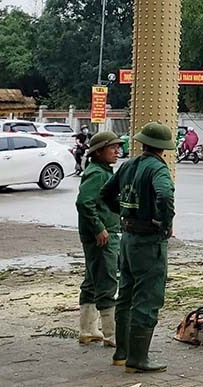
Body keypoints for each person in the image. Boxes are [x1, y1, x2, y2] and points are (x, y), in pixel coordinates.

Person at [100, 122, 176, 374]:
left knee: (126, 295)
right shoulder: (158, 169)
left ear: (143, 142)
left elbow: (106, 193)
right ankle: (138, 359)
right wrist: (163, 221)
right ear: (163, 148)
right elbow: (164, 196)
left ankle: (122, 352)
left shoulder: (128, 165)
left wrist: (123, 212)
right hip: (149, 242)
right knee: (148, 299)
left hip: (128, 238)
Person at [75, 131, 122, 347]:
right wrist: (99, 228)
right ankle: (112, 335)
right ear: (99, 151)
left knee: (92, 280)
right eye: (112, 147)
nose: (117, 151)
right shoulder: (97, 174)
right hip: (102, 236)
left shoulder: (99, 171)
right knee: (107, 280)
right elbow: (84, 202)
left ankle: (88, 330)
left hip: (97, 234)